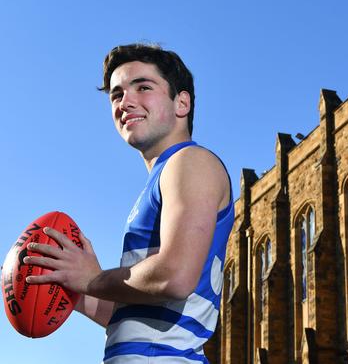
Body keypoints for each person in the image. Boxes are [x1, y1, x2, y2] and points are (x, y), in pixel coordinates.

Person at [24, 43, 234, 363]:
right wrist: (75, 289)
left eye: (143, 87)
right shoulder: (162, 179)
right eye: (116, 94)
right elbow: (138, 320)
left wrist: (94, 278)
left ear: (182, 102)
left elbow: (173, 276)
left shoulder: (190, 161)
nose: (126, 101)